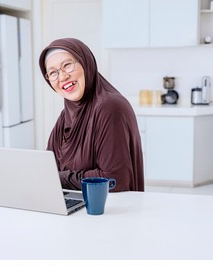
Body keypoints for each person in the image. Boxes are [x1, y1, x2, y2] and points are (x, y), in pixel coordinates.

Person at [38, 38, 144, 192]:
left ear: (86, 62)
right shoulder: (65, 116)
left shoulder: (110, 107)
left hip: (110, 209)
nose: (62, 77)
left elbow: (114, 179)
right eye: (53, 73)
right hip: (77, 206)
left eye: (67, 65)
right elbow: (47, 169)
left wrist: (59, 178)